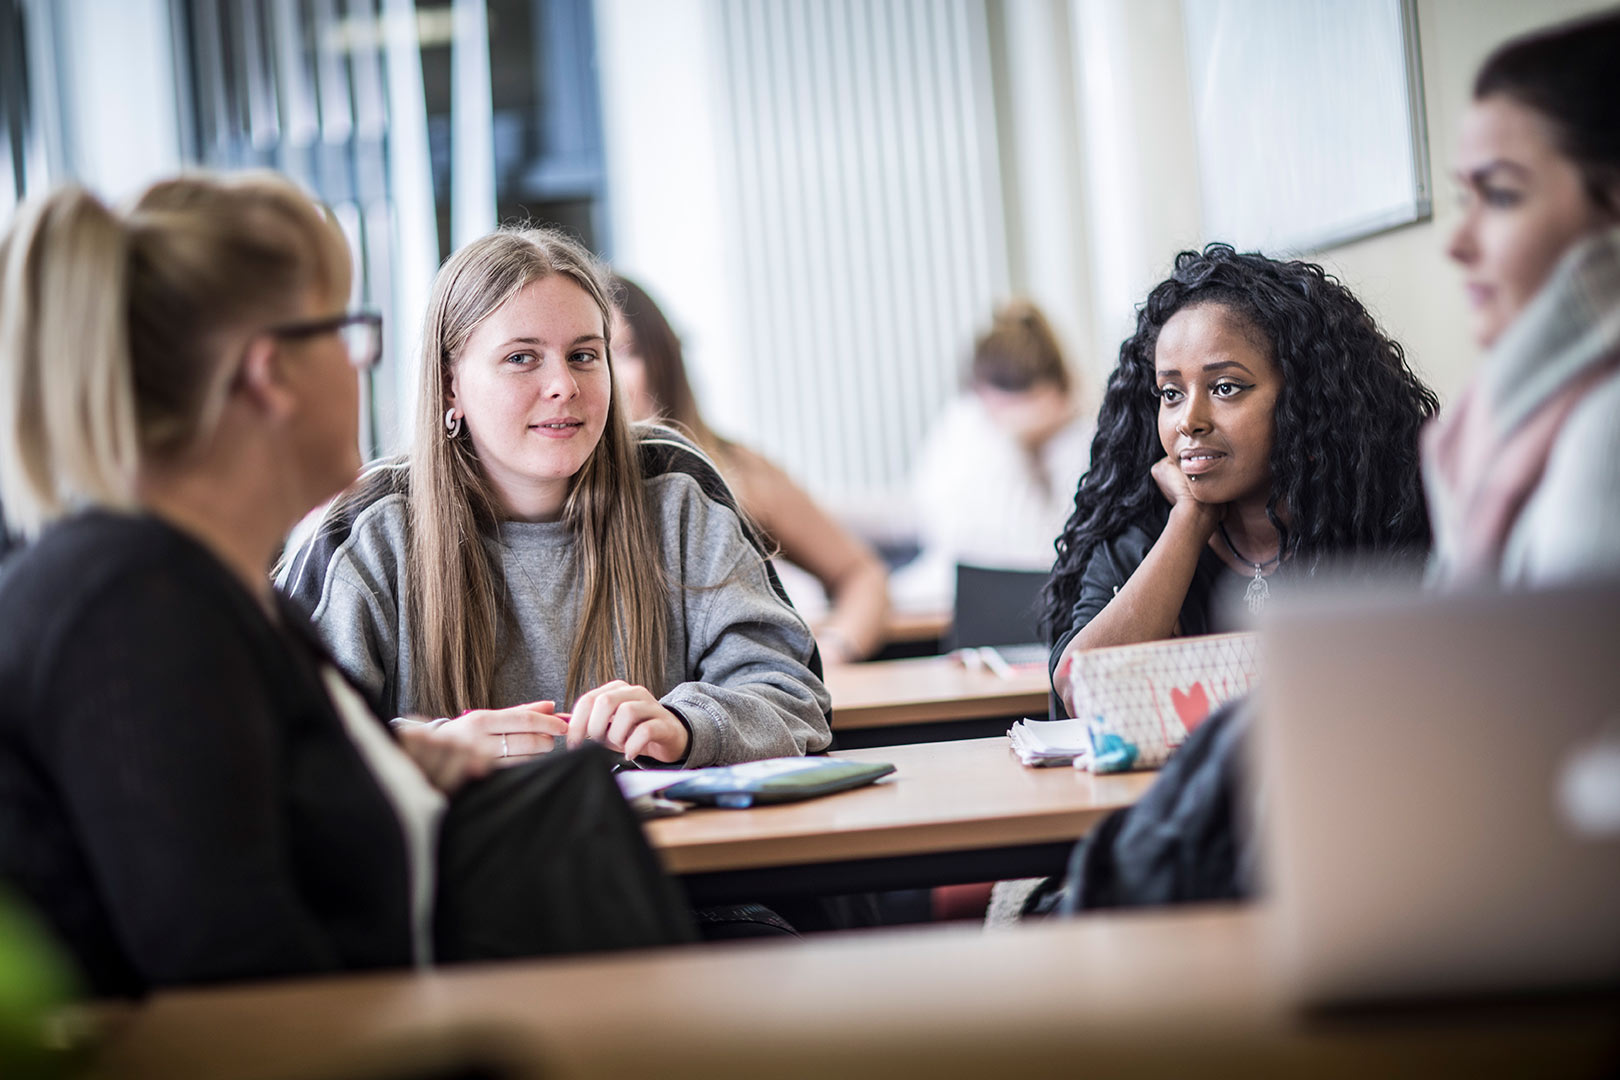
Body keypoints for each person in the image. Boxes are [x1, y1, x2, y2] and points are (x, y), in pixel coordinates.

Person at [0, 176, 691, 996]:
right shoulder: (137, 614)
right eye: (349, 332)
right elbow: (248, 996)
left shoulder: (197, 588)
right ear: (271, 375)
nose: (363, 366)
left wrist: (390, 766)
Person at [279, 235, 832, 768]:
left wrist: (686, 726)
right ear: (451, 385)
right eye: (522, 358)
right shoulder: (366, 528)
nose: (563, 385)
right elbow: (282, 739)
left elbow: (794, 692)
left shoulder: (675, 486)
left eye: (585, 355)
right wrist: (424, 750)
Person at [1043, 245, 1439, 709]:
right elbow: (1082, 690)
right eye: (1171, 393)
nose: (1189, 420)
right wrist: (1189, 521)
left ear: (1304, 399)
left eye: (1225, 387)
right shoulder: (1138, 540)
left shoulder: (1383, 525)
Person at [1428, 8, 1620, 586]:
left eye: (1503, 195)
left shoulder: (1604, 428)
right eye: (1466, 198)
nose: (1456, 243)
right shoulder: (1481, 422)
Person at [610, 274, 890, 664]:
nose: (603, 375)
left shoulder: (734, 468)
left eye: (624, 351)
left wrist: (831, 655)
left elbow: (862, 575)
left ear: (662, 360)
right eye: (585, 355)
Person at [895, 299, 1094, 609]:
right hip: (945, 594)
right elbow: (926, 517)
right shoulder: (968, 426)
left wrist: (1010, 442)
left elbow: (1038, 555)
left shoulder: (1080, 443)